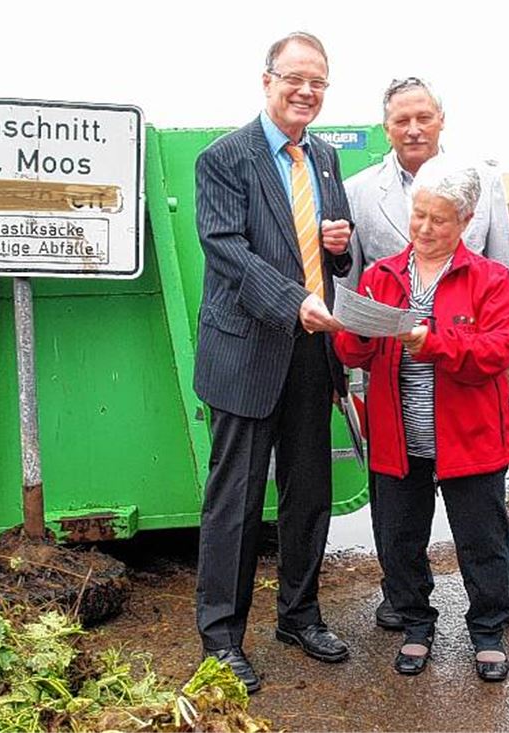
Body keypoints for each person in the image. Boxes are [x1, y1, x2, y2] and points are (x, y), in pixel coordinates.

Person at [339, 76, 509, 638]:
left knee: (481, 515)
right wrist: (354, 356)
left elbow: (501, 274)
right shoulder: (359, 190)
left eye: (423, 117)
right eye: (400, 120)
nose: (413, 128)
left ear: (440, 120)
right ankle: (408, 606)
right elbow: (359, 285)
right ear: (385, 126)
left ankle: (500, 599)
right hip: (394, 386)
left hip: (465, 374)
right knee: (399, 523)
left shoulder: (480, 180)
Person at [192, 31, 354, 694]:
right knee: (234, 499)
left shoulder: (323, 157)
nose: (306, 91)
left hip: (313, 353)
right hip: (246, 351)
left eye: (318, 81)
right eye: (295, 78)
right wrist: (293, 301)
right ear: (267, 81)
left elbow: (330, 247)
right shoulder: (223, 159)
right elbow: (225, 248)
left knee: (309, 490)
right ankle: (221, 637)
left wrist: (340, 248)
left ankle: (299, 614)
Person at [335, 157, 509, 682]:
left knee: (481, 541)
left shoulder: (489, 279)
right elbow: (353, 352)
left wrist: (432, 342)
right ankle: (416, 624)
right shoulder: (381, 274)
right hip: (399, 438)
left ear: (465, 222)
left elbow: (497, 350)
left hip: (470, 439)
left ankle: (488, 630)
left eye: (438, 220)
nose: (423, 228)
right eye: (418, 215)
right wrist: (354, 328)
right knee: (398, 540)